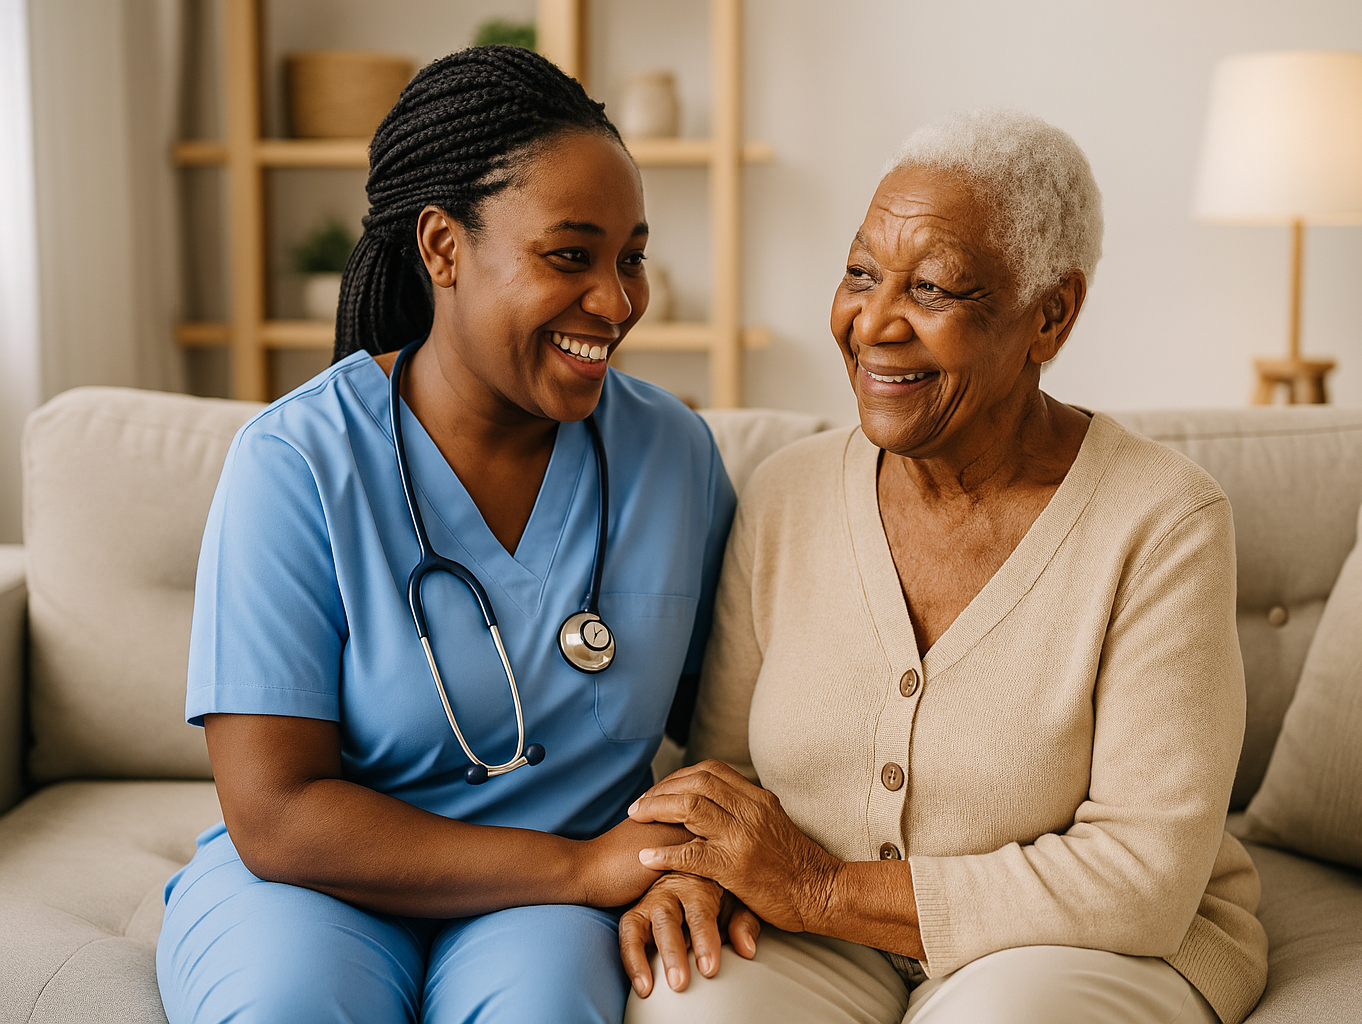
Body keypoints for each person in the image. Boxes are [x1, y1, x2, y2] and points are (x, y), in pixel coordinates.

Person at [619, 110, 1268, 1024]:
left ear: (1051, 315)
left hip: (1081, 947)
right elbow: (727, 772)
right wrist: (689, 875)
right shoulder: (787, 493)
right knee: (689, 1008)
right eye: (858, 272)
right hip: (819, 940)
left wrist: (826, 891)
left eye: (932, 288)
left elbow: (1142, 876)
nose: (874, 322)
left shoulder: (1163, 520)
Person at [155, 46, 750, 1024]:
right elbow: (277, 813)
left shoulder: (671, 454)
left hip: (549, 907)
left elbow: (732, 729)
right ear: (442, 247)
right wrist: (583, 865)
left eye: (631, 257)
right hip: (315, 887)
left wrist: (697, 863)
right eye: (571, 255)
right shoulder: (297, 463)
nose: (616, 301)